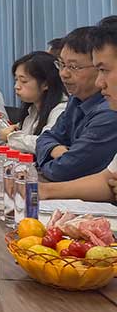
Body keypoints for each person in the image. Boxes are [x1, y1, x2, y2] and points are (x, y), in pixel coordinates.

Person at [41, 27, 117, 200]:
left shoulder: (109, 113)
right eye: (61, 65)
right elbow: (106, 179)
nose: (99, 82)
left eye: (103, 70)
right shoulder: (76, 101)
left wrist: (47, 159)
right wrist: (42, 190)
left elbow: (65, 170)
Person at [0, 52, 67, 153]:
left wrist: (11, 136)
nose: (16, 86)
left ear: (45, 84)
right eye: (16, 80)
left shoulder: (60, 110)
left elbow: (45, 144)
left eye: (23, 81)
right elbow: (10, 146)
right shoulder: (32, 110)